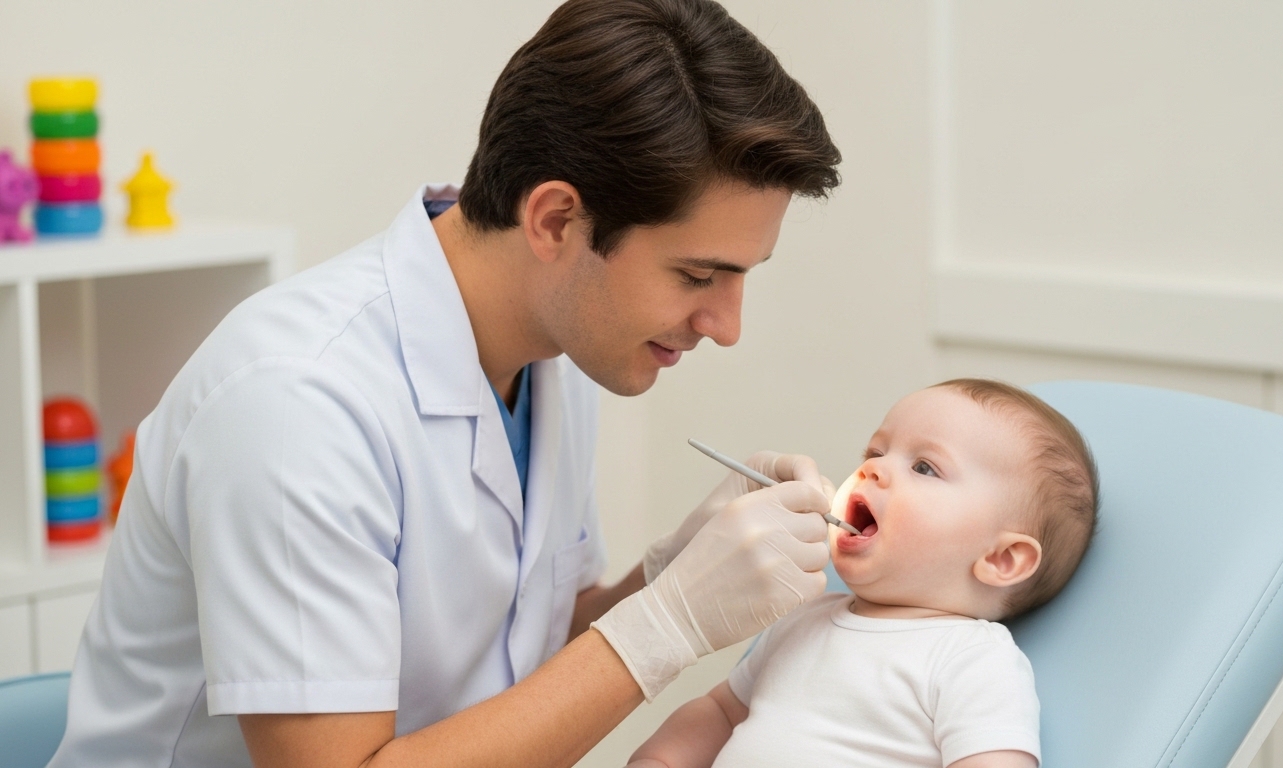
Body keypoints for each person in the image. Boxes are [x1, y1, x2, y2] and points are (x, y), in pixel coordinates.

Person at [47, 1, 844, 766]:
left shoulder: (561, 350)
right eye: (698, 273)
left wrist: (669, 575)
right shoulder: (296, 403)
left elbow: (522, 652)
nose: (726, 325)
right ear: (557, 221)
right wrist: (667, 626)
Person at [627, 379, 1101, 768]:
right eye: (876, 450)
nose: (874, 468)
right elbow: (721, 711)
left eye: (924, 467)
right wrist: (662, 760)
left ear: (1001, 560)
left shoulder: (971, 658)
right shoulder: (803, 616)